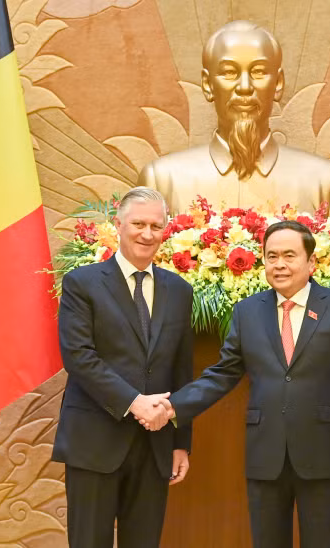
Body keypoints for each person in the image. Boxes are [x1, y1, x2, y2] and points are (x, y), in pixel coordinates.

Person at [143, 220, 330, 548]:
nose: (280, 264)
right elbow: (222, 373)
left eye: (289, 255)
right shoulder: (248, 311)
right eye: (271, 256)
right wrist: (173, 405)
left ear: (311, 262)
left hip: (325, 456)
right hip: (266, 455)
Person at [52, 187, 194, 548]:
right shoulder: (82, 283)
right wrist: (135, 402)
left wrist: (181, 443)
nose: (147, 234)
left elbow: (181, 369)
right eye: (139, 224)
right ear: (118, 224)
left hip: (155, 446)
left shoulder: (179, 290)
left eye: (156, 226)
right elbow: (79, 356)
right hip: (95, 440)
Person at [138, 20, 330, 216]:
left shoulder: (326, 184)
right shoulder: (162, 181)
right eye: (229, 72)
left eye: (258, 72)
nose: (245, 87)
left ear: (277, 83)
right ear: (207, 84)